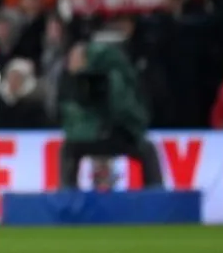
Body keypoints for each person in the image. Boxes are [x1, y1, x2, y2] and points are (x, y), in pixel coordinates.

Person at [58, 41, 163, 189]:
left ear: (83, 58)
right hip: (109, 135)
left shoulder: (98, 80)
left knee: (69, 150)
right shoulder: (112, 74)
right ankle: (157, 197)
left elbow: (120, 108)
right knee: (146, 149)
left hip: (107, 134)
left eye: (72, 59)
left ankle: (66, 198)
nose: (69, 64)